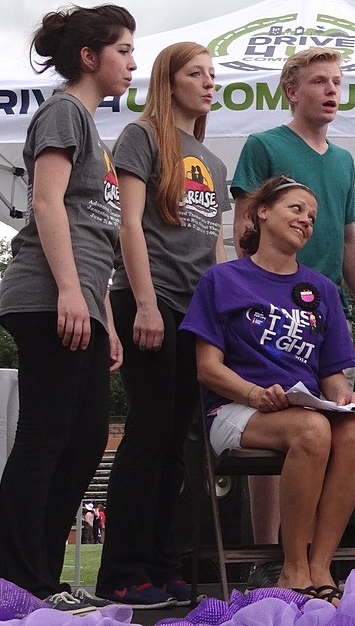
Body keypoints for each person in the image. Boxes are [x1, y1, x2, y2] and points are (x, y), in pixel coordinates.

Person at [0, 4, 135, 612]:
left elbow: (95, 230)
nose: (133, 62)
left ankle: (44, 579)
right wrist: (71, 294)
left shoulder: (91, 128)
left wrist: (101, 312)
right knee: (46, 439)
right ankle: (18, 580)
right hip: (46, 296)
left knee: (82, 445)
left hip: (81, 300)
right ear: (89, 56)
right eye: (124, 49)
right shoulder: (62, 111)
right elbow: (48, 204)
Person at [181, 176, 355, 605]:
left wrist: (345, 397)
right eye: (296, 209)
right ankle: (292, 568)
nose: (306, 220)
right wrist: (253, 394)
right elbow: (206, 368)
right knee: (312, 430)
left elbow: (334, 374)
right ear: (261, 212)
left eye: (312, 216)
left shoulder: (321, 288)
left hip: (303, 411)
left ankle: (320, 565)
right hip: (235, 410)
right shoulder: (222, 279)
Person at [230, 48, 355, 579]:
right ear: (293, 90)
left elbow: (347, 238)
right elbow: (245, 223)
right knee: (280, 428)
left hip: (328, 313)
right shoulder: (263, 144)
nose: (332, 90)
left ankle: (314, 560)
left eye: (337, 82)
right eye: (319, 81)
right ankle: (268, 559)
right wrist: (246, 298)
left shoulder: (341, 160)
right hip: (268, 313)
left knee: (338, 429)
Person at [95, 42, 229, 609]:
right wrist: (146, 304)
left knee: (179, 440)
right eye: (196, 73)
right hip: (150, 300)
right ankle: (121, 571)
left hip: (198, 312)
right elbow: (128, 222)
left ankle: (162, 562)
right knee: (149, 433)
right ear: (167, 81)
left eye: (212, 74)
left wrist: (228, 314)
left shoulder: (215, 162)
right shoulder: (141, 136)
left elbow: (216, 244)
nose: (208, 82)